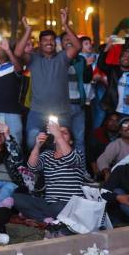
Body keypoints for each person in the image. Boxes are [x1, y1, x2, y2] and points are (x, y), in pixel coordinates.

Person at [15, 9, 82, 152]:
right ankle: (37, 166)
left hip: (62, 112)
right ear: (40, 43)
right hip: (37, 112)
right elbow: (18, 52)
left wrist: (65, 25)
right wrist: (28, 30)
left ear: (55, 43)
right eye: (45, 40)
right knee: (32, 142)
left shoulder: (63, 57)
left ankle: (57, 166)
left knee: (61, 144)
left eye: (51, 40)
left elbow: (78, 46)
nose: (49, 42)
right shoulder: (33, 59)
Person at [12, 121, 91, 231]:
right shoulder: (47, 155)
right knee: (16, 199)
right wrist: (37, 145)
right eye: (58, 132)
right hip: (49, 204)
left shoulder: (77, 153)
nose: (60, 134)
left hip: (68, 205)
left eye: (64, 133)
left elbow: (71, 159)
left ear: (71, 141)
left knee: (59, 207)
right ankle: (47, 221)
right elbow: (32, 167)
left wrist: (58, 135)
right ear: (53, 140)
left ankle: (50, 221)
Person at [98, 45, 129, 121]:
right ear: (119, 59)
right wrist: (106, 50)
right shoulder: (112, 70)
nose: (126, 58)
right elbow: (101, 64)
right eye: (124, 56)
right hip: (114, 111)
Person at [100, 156, 129, 223]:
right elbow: (103, 193)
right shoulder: (121, 170)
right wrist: (118, 197)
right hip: (125, 208)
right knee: (118, 191)